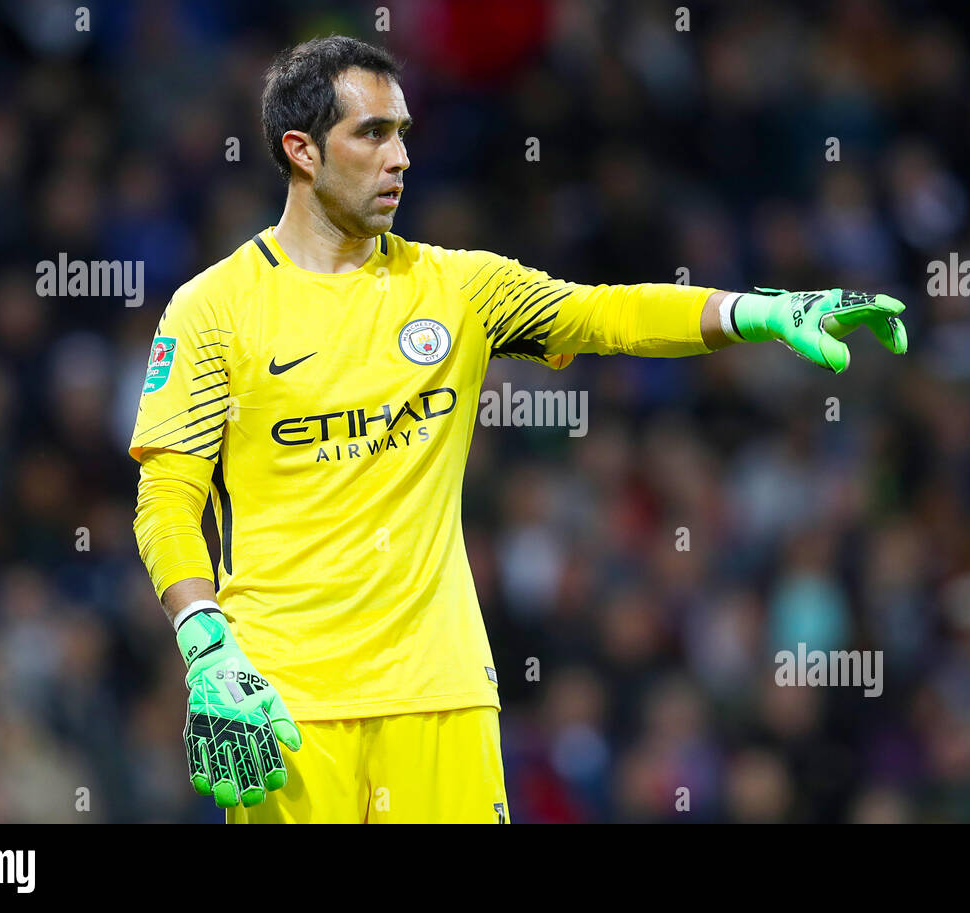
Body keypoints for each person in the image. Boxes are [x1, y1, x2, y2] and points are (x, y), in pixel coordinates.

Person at [130, 35, 908, 824]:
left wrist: (763, 311)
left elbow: (605, 312)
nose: (398, 157)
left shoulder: (459, 288)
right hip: (284, 700)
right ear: (300, 150)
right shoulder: (213, 310)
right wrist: (204, 641)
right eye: (371, 134)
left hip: (444, 693)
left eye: (403, 133)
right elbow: (167, 496)